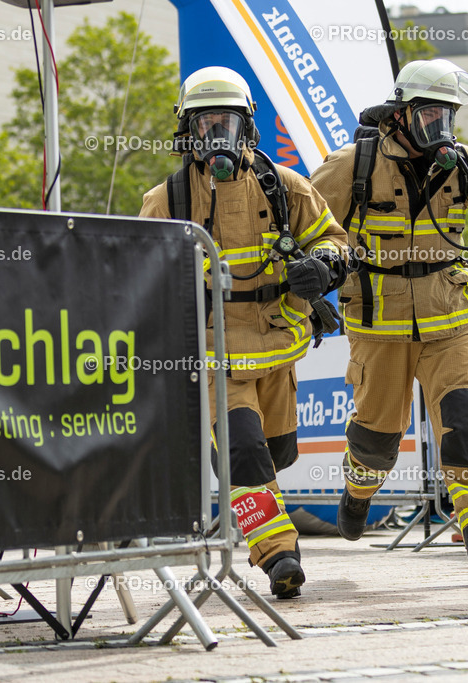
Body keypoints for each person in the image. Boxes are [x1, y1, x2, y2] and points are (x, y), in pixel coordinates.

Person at [310, 59, 468, 585]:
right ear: (401, 113)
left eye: (448, 114)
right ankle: (358, 489)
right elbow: (308, 224)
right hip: (378, 326)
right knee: (377, 439)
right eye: (429, 113)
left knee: (467, 426)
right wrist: (313, 283)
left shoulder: (462, 161)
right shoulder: (353, 163)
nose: (440, 124)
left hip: (449, 321)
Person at [140, 66, 348, 599]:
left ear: (246, 127)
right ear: (188, 130)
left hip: (278, 343)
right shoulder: (166, 200)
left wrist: (323, 265)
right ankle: (278, 554)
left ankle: (256, 512)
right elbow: (144, 275)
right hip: (216, 352)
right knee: (244, 454)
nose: (216, 136)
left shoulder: (283, 186)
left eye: (225, 123)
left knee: (274, 454)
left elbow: (333, 238)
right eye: (205, 123)